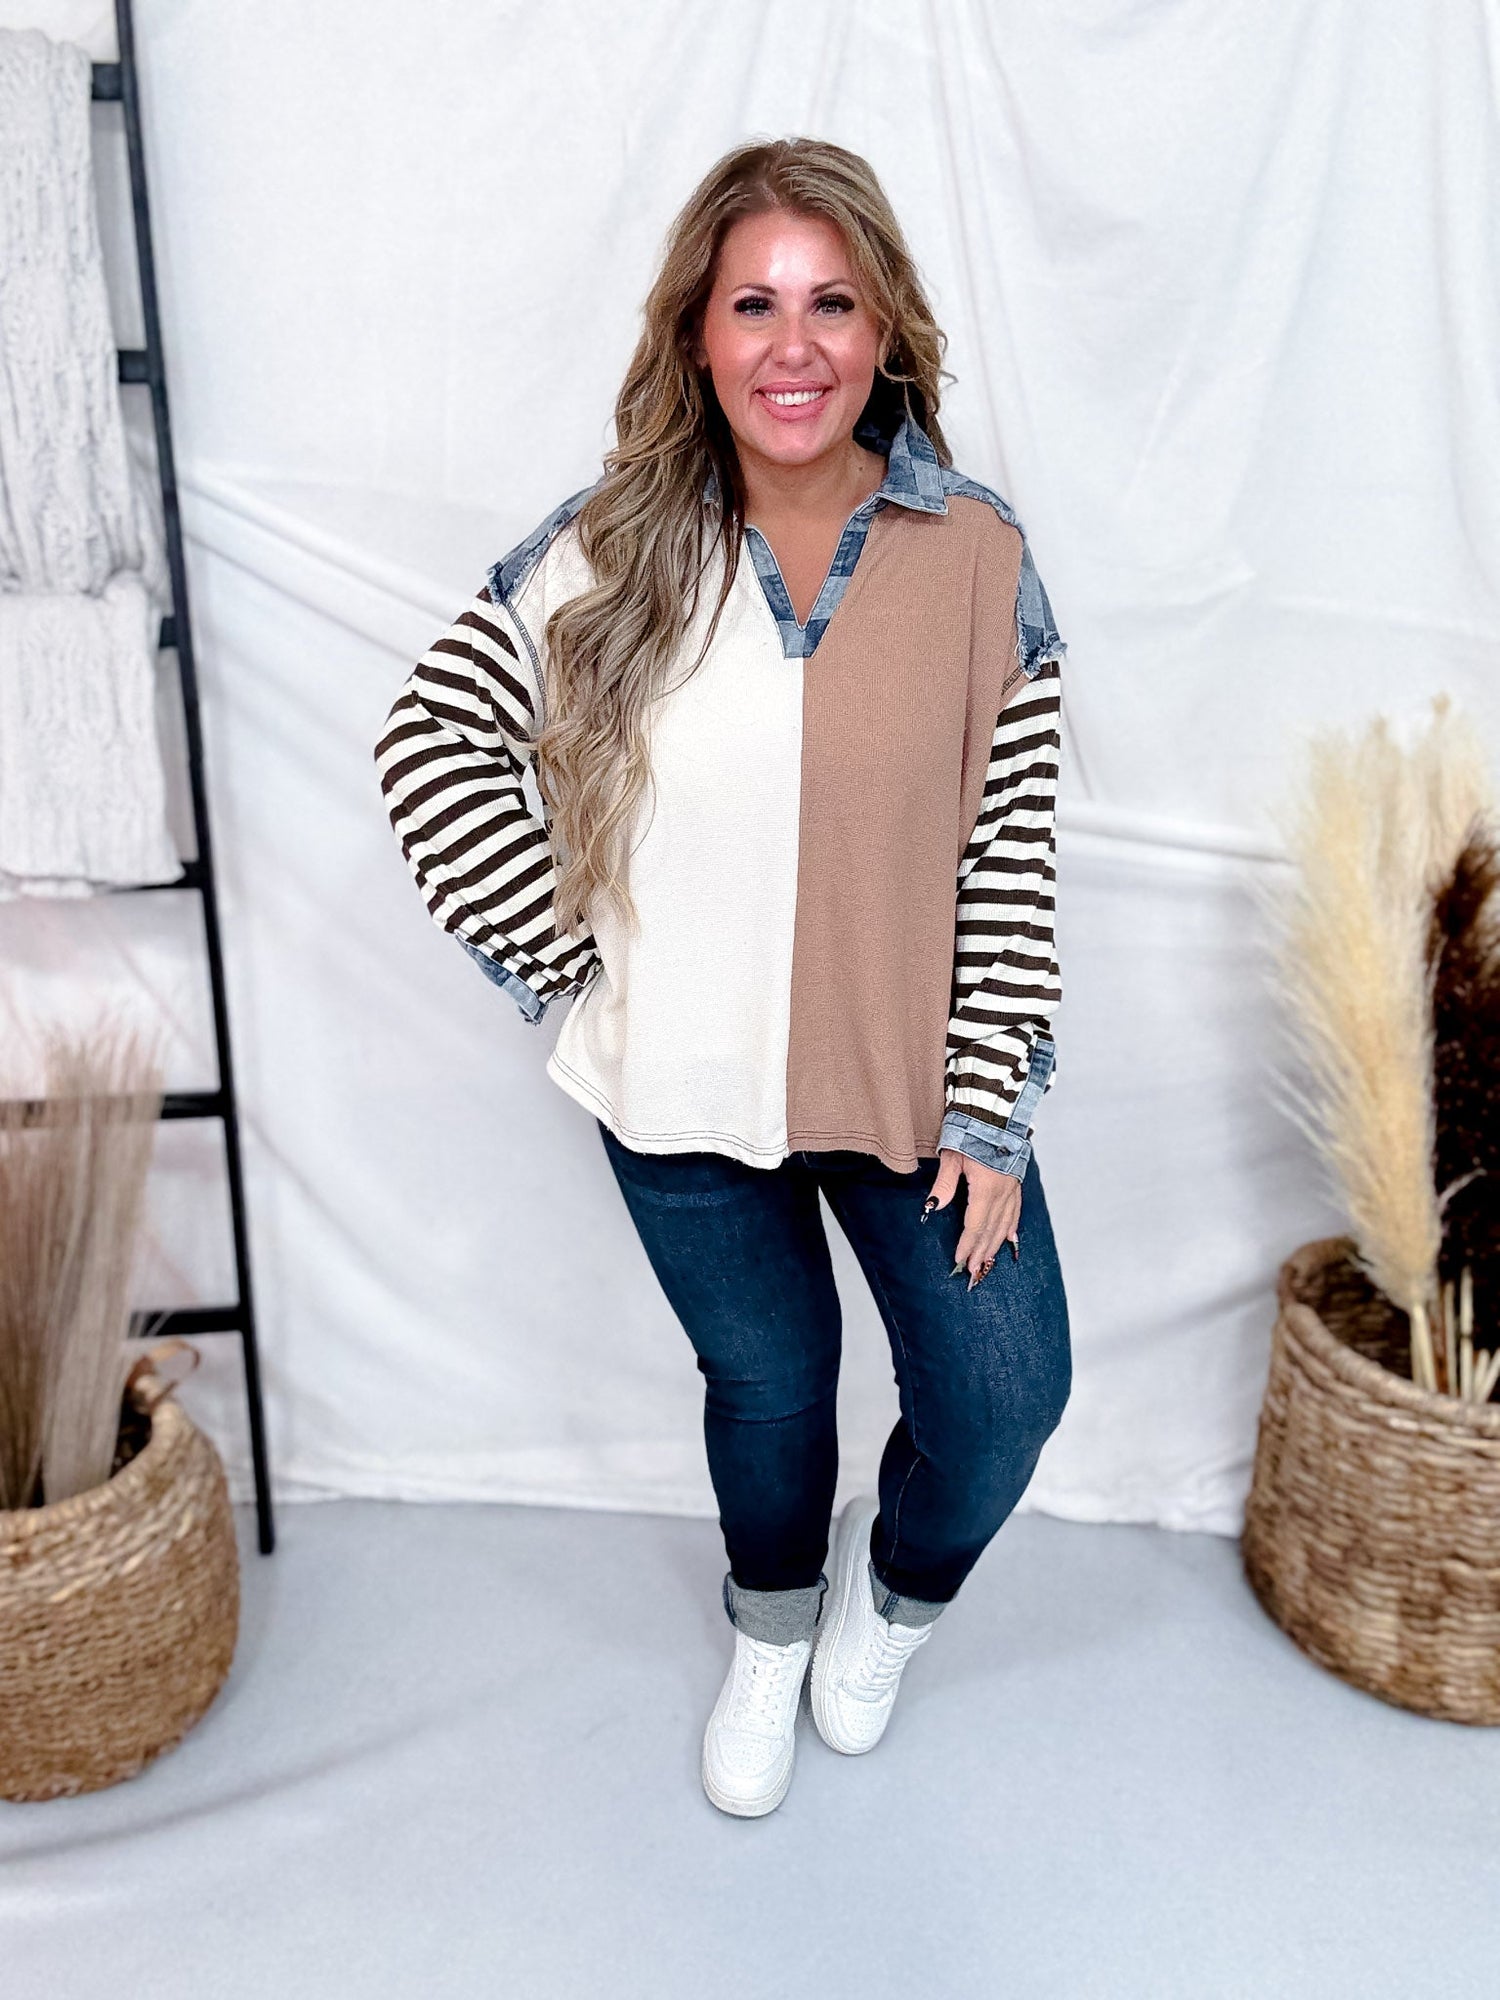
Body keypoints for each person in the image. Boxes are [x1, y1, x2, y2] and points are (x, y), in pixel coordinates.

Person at [375, 136, 1072, 1819]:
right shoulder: (619, 543)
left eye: (833, 303)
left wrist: (991, 1100)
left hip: (910, 1086)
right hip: (679, 1087)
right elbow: (432, 740)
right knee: (768, 1389)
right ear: (697, 332)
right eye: (753, 303)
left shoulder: (976, 554)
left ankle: (887, 1595)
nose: (794, 344)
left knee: (1002, 1397)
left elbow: (1011, 848)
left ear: (886, 329)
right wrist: (571, 966)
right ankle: (771, 1631)